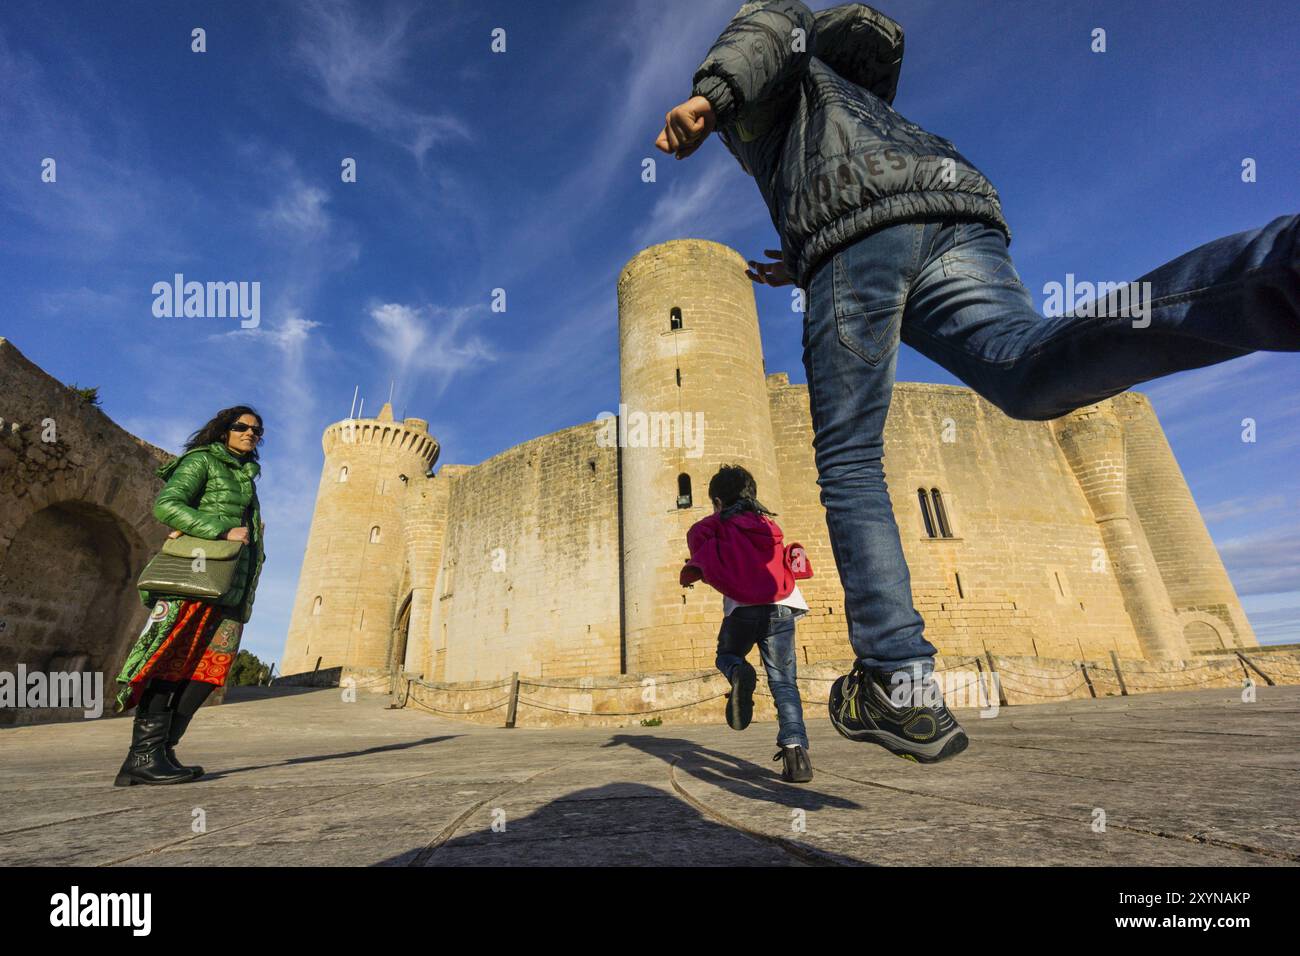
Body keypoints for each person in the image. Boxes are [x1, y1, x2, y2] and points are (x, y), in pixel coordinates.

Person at [656, 1, 1299, 764]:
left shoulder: (776, 69)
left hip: (859, 233)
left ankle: (899, 677)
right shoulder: (851, 102)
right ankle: (1280, 269)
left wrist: (711, 98)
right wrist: (802, 256)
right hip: (956, 208)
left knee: (850, 459)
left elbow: (776, 20)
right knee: (1028, 372)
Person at [112, 407, 267, 785]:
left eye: (256, 431)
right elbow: (167, 505)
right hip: (198, 578)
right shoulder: (203, 462)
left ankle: (164, 749)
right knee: (171, 663)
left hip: (231, 584)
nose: (250, 434)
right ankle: (143, 755)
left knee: (208, 671)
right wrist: (220, 529)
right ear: (223, 430)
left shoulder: (245, 476)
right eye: (241, 427)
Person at [682, 464, 814, 783]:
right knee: (784, 682)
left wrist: (701, 563)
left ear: (717, 501)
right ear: (752, 494)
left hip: (743, 608)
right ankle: (797, 756)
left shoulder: (719, 523)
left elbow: (696, 537)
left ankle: (739, 672)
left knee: (727, 656)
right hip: (782, 606)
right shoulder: (768, 525)